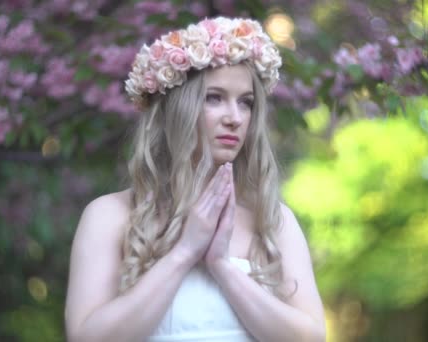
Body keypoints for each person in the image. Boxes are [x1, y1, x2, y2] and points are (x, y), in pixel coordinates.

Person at [65, 17, 326, 341]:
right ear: (175, 108)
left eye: (245, 102)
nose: (234, 118)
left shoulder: (273, 220)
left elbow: (312, 337)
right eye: (214, 97)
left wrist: (221, 266)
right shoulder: (108, 215)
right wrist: (185, 252)